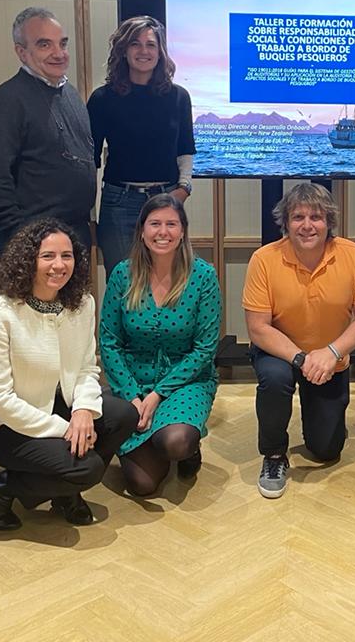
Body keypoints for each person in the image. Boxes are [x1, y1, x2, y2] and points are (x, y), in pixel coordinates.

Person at [0, 218, 138, 530]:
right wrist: (65, 428)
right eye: (48, 256)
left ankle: (62, 491)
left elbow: (86, 368)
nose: (59, 265)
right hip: (5, 424)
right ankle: (1, 489)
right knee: (88, 468)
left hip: (61, 406)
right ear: (27, 260)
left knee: (124, 415)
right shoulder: (0, 314)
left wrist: (84, 410)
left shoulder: (82, 304)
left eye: (67, 255)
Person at [243, 183, 355, 499]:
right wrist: (302, 359)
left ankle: (326, 418)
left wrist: (331, 353)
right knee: (275, 379)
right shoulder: (264, 259)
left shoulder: (352, 255)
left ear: (329, 221)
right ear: (286, 222)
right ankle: (274, 454)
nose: (307, 225)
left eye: (315, 217)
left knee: (326, 449)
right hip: (279, 353)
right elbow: (258, 328)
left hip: (331, 359)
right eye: (298, 217)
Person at [99, 194, 221, 496]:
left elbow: (204, 349)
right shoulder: (122, 274)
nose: (162, 232)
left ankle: (186, 445)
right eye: (155, 224)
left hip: (186, 381)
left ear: (182, 232)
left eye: (171, 224)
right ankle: (151, 439)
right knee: (142, 485)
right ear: (142, 231)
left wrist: (156, 396)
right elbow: (109, 342)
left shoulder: (203, 276)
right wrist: (132, 396)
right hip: (133, 380)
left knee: (175, 442)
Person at [0, 6, 97, 255]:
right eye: (44, 45)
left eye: (63, 44)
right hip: (32, 244)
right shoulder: (7, 101)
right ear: (21, 52)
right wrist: (22, 237)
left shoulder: (71, 95)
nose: (59, 53)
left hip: (74, 237)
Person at [87, 16, 195, 279]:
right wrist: (88, 215)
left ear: (160, 52)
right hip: (119, 203)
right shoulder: (102, 99)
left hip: (166, 198)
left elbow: (185, 149)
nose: (143, 51)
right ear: (123, 50)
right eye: (135, 44)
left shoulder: (179, 97)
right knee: (123, 282)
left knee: (165, 281)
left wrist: (182, 190)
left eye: (150, 44)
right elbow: (89, 161)